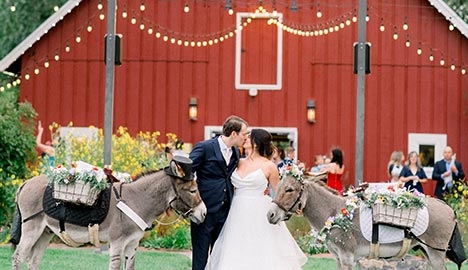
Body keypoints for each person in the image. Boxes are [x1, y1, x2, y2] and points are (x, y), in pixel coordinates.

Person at [205, 129, 307, 270]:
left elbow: (279, 192)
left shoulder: (269, 166)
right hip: (236, 211)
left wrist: (293, 207)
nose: (245, 138)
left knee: (260, 248)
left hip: (259, 211)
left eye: (249, 137)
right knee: (236, 247)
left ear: (256, 143)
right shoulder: (238, 161)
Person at [189, 115, 249, 270]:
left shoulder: (236, 152)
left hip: (225, 211)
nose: (246, 137)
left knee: (220, 255)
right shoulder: (205, 147)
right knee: (201, 255)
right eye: (244, 133)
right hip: (204, 210)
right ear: (234, 134)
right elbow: (186, 173)